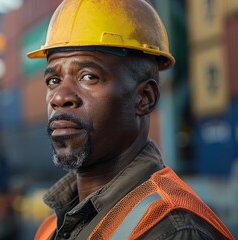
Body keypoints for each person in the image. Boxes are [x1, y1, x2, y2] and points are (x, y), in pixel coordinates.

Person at [26, 0, 235, 239]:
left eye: (88, 76)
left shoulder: (172, 230)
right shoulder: (51, 229)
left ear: (144, 98)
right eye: (53, 80)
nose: (60, 97)